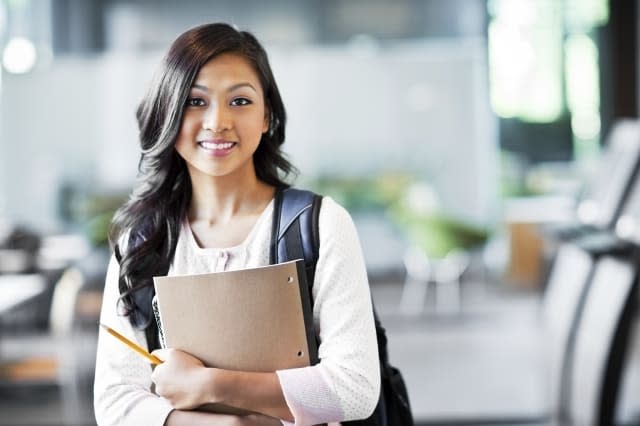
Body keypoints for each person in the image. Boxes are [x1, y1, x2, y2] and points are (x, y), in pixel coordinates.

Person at [93, 22, 380, 426]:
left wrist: (212, 385)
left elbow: (354, 390)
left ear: (267, 116)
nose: (217, 121)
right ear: (168, 113)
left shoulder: (320, 224)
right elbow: (114, 402)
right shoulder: (141, 240)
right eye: (195, 101)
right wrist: (231, 425)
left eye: (240, 101)